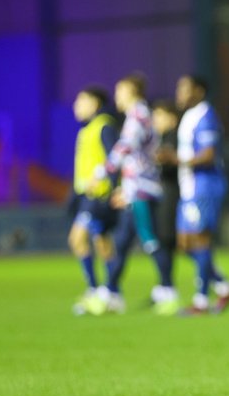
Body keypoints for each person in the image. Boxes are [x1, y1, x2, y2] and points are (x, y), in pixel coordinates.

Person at [95, 74, 179, 315]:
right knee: (122, 242)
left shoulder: (138, 115)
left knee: (150, 240)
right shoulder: (141, 114)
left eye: (120, 91)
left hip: (142, 189)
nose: (117, 96)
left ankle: (168, 291)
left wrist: (103, 171)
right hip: (135, 188)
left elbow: (126, 146)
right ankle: (111, 293)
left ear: (131, 92)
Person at [163, 74, 229, 314]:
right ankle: (223, 286)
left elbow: (208, 155)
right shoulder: (189, 116)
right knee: (185, 244)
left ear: (199, 91)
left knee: (200, 240)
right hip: (190, 187)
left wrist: (175, 159)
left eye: (185, 88)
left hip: (204, 186)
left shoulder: (206, 116)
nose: (179, 92)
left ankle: (201, 301)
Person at [68, 85, 119, 316]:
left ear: (95, 103)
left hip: (99, 195)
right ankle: (112, 293)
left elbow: (114, 158)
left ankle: (95, 290)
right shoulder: (86, 130)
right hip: (87, 196)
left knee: (77, 239)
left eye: (81, 100)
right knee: (102, 243)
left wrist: (114, 187)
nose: (76, 106)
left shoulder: (104, 126)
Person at [152, 99, 182, 294]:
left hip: (171, 192)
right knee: (163, 240)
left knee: (168, 239)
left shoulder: (174, 136)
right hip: (163, 192)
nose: (155, 120)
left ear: (172, 119)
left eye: (159, 115)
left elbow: (167, 158)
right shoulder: (161, 137)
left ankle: (219, 281)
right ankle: (165, 285)